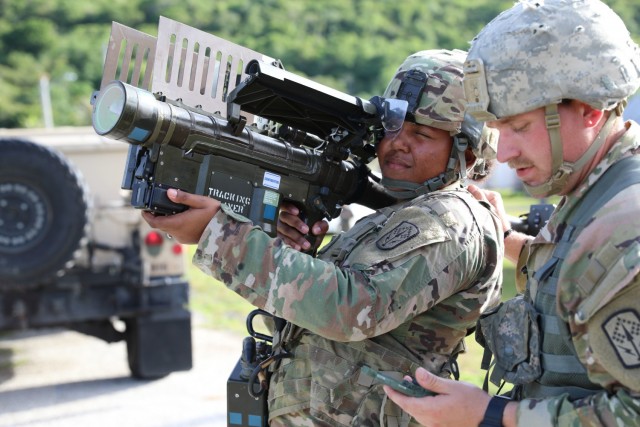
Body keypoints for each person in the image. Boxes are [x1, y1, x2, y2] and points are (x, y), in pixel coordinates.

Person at [143, 49, 502, 426]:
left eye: (421, 133)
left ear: (466, 151)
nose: (398, 143)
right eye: (393, 127)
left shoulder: (451, 220)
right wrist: (293, 251)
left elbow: (351, 310)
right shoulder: (394, 215)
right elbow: (312, 330)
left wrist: (218, 235)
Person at [384, 1, 640, 426]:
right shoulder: (597, 191)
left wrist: (494, 416)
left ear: (590, 111)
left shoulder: (622, 228)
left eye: (520, 128)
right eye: (499, 131)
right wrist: (514, 246)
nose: (505, 152)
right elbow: (585, 285)